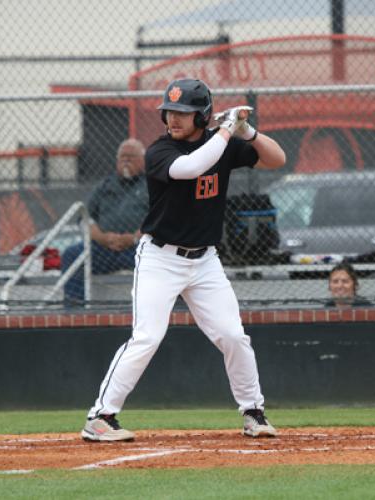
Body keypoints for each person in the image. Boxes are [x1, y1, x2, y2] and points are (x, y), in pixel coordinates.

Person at [81, 78, 286, 442]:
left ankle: (253, 412)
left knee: (233, 336)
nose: (174, 119)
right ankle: (100, 417)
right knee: (147, 337)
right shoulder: (159, 151)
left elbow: (277, 159)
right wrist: (225, 130)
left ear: (202, 116)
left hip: (205, 260)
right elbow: (191, 168)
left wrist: (246, 130)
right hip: (161, 258)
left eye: (184, 113)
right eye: (170, 112)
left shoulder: (219, 142)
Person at [62, 138, 148, 306]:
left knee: (164, 259)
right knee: (71, 255)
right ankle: (74, 310)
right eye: (122, 157)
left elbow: (160, 217)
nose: (126, 160)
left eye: (131, 156)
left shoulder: (152, 184)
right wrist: (101, 237)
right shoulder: (106, 185)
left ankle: (155, 311)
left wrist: (133, 238)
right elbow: (84, 217)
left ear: (143, 160)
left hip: (138, 249)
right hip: (103, 249)